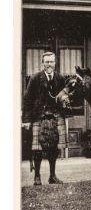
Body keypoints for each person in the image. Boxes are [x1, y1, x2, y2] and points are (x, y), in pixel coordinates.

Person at [22, 52, 68, 185]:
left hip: (55, 116)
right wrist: (26, 120)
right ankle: (37, 177)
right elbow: (27, 100)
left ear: (55, 63)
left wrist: (64, 102)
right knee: (38, 149)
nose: (49, 64)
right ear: (42, 63)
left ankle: (52, 176)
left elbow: (63, 97)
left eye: (51, 62)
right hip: (39, 116)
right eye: (47, 62)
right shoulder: (35, 78)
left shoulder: (60, 78)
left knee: (54, 148)